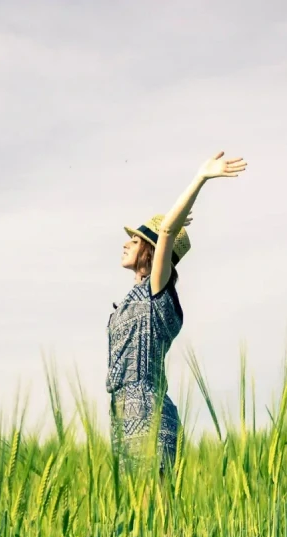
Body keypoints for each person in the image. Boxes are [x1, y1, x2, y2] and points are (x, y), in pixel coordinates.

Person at [106, 151, 246, 476]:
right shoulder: (133, 299)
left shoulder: (158, 291)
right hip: (123, 417)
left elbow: (166, 232)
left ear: (153, 252)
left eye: (136, 239)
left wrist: (200, 178)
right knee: (139, 522)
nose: (126, 243)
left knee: (158, 515)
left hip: (148, 413)